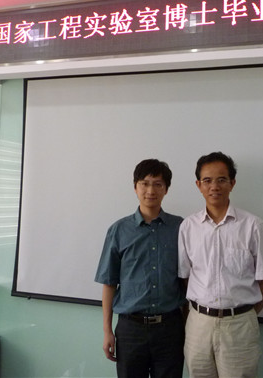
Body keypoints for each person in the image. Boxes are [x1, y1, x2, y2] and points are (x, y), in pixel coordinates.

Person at [178, 151, 263, 378]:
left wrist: (244, 314)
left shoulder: (253, 226)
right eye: (207, 180)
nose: (214, 186)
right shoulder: (188, 227)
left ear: (232, 183)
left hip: (239, 326)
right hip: (198, 325)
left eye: (222, 179)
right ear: (198, 185)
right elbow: (185, 277)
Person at [94, 159, 185, 378]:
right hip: (130, 330)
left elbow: (188, 279)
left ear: (166, 189)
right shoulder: (118, 230)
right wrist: (107, 331)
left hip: (170, 328)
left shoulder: (181, 228)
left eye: (158, 184)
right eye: (145, 183)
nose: (150, 190)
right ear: (135, 187)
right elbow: (109, 283)